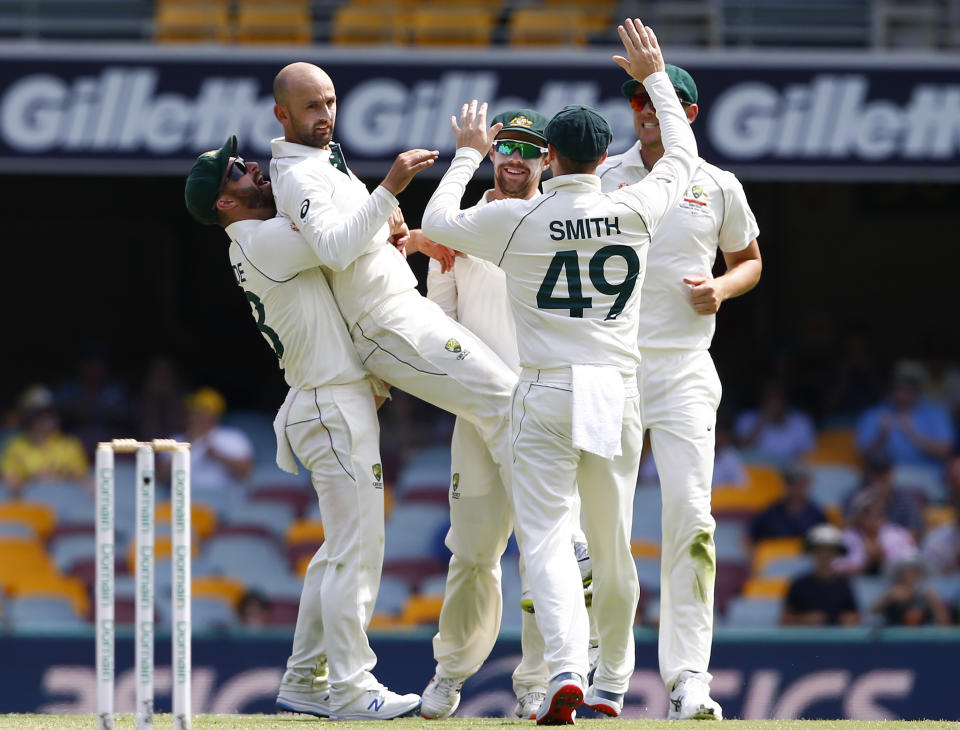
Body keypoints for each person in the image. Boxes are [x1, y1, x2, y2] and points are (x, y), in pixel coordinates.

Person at [422, 19, 699, 724]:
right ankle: (610, 684)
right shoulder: (634, 205)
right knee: (608, 548)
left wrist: (466, 155)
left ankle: (564, 675)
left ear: (551, 156)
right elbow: (684, 158)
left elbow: (436, 218)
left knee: (544, 540)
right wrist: (658, 76)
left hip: (539, 390)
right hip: (613, 390)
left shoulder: (517, 220)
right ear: (605, 156)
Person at [184, 134, 435, 719]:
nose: (251, 167)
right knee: (357, 550)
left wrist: (388, 227)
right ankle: (351, 687)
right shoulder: (261, 238)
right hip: (327, 403)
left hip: (325, 400)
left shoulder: (261, 239)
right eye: (236, 173)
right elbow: (344, 240)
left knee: (338, 552)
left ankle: (302, 680)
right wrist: (389, 190)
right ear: (226, 204)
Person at [597, 58, 762, 718]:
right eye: (635, 97)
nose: (642, 107)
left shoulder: (717, 185)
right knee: (602, 524)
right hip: (612, 367)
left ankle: (690, 679)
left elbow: (748, 260)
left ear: (685, 113)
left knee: (691, 519)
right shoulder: (604, 178)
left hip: (686, 371)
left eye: (655, 98)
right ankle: (604, 671)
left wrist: (720, 289)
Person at [416, 109, 593, 721]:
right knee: (470, 556)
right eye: (504, 147)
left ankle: (537, 682)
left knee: (546, 551)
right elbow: (436, 326)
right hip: (479, 418)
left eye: (528, 148)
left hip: (543, 411)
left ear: (548, 159)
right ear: (491, 155)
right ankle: (450, 674)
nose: (514, 157)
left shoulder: (559, 223)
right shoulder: (460, 230)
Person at [269, 61, 518, 477]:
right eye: (312, 106)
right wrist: (390, 188)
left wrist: (409, 239)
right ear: (283, 114)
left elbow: (353, 246)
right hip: (385, 322)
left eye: (330, 102)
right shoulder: (297, 175)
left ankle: (537, 538)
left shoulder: (323, 158)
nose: (326, 115)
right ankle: (562, 539)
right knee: (506, 403)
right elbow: (334, 251)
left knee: (505, 404)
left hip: (401, 308)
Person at [856, 360, 955, 471]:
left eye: (910, 388)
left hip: (927, 475)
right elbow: (864, 454)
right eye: (899, 387)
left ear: (919, 390)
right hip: (887, 476)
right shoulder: (874, 413)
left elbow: (945, 451)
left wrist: (912, 434)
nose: (903, 393)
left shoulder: (935, 413)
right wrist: (881, 436)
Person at [0, 385, 89, 496]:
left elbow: (83, 480)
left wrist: (61, 479)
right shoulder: (15, 446)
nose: (49, 417)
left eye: (51, 412)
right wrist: (34, 483)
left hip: (65, 505)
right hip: (30, 507)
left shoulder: (70, 444)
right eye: (41, 413)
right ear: (28, 417)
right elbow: (9, 483)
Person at [166, 387, 254, 492]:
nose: (194, 414)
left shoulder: (232, 437)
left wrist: (217, 455)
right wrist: (187, 445)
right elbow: (160, 477)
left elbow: (246, 473)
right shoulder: (176, 440)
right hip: (185, 498)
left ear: (214, 414)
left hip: (223, 500)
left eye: (200, 410)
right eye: (192, 409)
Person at [781, 524, 859, 627]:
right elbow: (784, 620)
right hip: (806, 640)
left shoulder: (843, 584)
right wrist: (805, 619)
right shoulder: (799, 585)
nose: (825, 555)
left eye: (830, 551)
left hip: (836, 640)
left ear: (836, 553)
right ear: (812, 552)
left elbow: (855, 617)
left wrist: (847, 620)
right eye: (820, 550)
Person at [836, 488, 916, 576]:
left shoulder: (898, 534)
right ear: (859, 514)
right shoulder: (846, 537)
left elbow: (911, 565)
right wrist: (867, 564)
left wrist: (883, 559)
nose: (876, 515)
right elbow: (835, 567)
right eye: (868, 511)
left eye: (880, 511)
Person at [734, 380, 816, 462]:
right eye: (769, 396)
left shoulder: (801, 421)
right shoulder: (746, 418)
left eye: (777, 396)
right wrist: (763, 419)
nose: (773, 401)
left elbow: (810, 454)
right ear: (761, 397)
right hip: (758, 468)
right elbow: (742, 450)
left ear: (785, 398)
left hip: (791, 470)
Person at [750, 463, 826, 543]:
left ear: (808, 485)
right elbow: (752, 538)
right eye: (792, 483)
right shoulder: (769, 513)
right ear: (785, 485)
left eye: (801, 484)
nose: (797, 489)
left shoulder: (817, 515)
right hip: (776, 554)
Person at [872, 550, 950, 626]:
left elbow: (944, 624)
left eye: (915, 572)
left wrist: (934, 602)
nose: (910, 576)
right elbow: (872, 613)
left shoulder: (928, 594)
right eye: (905, 572)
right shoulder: (891, 592)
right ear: (899, 575)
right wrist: (888, 597)